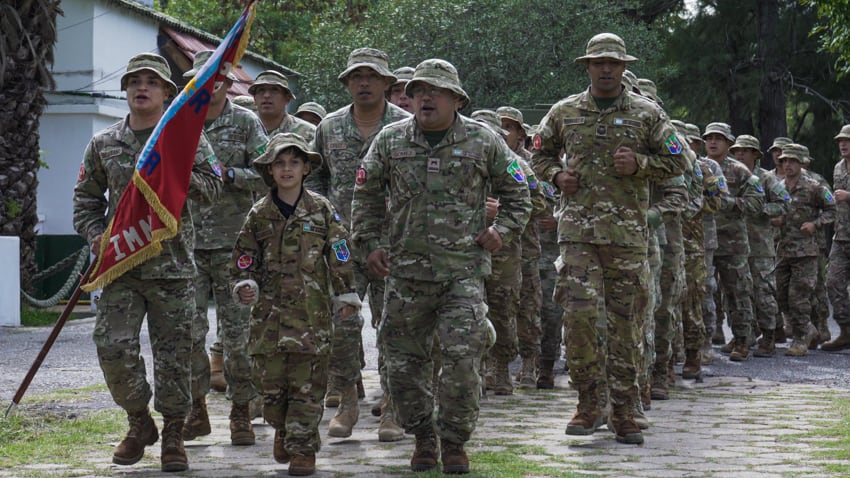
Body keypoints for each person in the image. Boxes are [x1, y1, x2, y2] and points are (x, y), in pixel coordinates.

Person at [351, 58, 531, 473]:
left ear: (456, 98)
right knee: (401, 364)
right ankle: (423, 437)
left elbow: (519, 193)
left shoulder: (483, 141)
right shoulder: (389, 141)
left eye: (435, 91)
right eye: (418, 91)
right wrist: (372, 243)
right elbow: (366, 197)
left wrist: (501, 229)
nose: (425, 97)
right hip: (405, 275)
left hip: (462, 274)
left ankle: (454, 440)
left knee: (464, 359)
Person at [531, 33, 689, 446]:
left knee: (626, 326)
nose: (605, 69)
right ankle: (588, 403)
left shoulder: (646, 112)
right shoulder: (565, 111)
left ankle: (623, 409)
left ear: (623, 68)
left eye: (613, 63)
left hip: (627, 238)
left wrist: (639, 164)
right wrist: (556, 176)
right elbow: (537, 154)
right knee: (580, 320)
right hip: (578, 235)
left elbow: (681, 160)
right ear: (587, 66)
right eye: (598, 62)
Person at [73, 52, 222, 472]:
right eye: (134, 81)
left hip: (172, 268)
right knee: (112, 347)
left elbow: (213, 186)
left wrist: (171, 174)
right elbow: (85, 201)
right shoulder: (103, 143)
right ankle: (139, 422)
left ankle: (174, 433)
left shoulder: (185, 138)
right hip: (121, 266)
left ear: (167, 93)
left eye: (151, 82)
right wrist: (94, 236)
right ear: (125, 91)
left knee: (175, 356)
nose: (142, 88)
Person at [230, 133, 360, 476]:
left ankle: (303, 448)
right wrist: (245, 285)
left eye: (294, 162)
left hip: (310, 318)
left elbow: (341, 254)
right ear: (270, 171)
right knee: (271, 390)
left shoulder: (322, 209)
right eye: (279, 163)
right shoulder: (258, 214)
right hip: (269, 320)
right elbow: (244, 259)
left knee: (308, 386)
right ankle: (283, 428)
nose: (287, 169)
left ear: (305, 168)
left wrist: (345, 294)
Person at [308, 47, 410, 441]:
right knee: (342, 324)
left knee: (396, 328)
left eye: (371, 76)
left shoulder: (404, 125)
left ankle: (393, 408)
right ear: (347, 83)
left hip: (393, 244)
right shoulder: (329, 128)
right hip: (342, 246)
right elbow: (315, 179)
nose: (363, 83)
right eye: (356, 76)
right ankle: (348, 401)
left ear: (387, 83)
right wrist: (321, 219)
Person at [180, 50, 269, 447]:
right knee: (188, 333)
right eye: (202, 77)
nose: (210, 84)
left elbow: (267, 172)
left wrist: (230, 174)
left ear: (228, 83)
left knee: (239, 336)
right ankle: (196, 410)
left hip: (236, 246)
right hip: (187, 245)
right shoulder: (180, 121)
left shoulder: (246, 122)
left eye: (217, 77)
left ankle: (241, 412)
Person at [702, 122, 764, 361]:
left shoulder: (740, 171)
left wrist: (727, 203)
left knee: (738, 293)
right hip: (704, 242)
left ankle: (742, 341)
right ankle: (702, 344)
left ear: (729, 143)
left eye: (719, 138)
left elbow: (757, 202)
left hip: (732, 244)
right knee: (703, 294)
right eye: (709, 138)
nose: (713, 142)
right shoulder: (698, 167)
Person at [729, 134, 790, 356]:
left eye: (745, 150)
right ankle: (742, 336)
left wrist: (762, 209)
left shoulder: (766, 178)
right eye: (736, 150)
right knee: (737, 293)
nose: (740, 154)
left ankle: (769, 336)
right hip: (733, 244)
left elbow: (784, 203)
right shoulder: (729, 175)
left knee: (764, 293)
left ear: (755, 154)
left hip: (759, 246)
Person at [772, 143, 835, 356]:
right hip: (783, 249)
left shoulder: (814, 186)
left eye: (792, 161)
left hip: (806, 251)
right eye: (784, 161)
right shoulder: (778, 186)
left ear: (801, 163)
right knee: (781, 295)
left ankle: (800, 339)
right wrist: (775, 219)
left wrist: (815, 224)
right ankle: (809, 329)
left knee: (798, 297)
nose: (787, 165)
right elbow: (774, 209)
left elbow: (832, 209)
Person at [825, 125, 850, 351]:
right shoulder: (838, 168)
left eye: (847, 141)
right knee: (833, 282)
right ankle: (845, 331)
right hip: (841, 237)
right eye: (841, 141)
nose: (843, 144)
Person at [250, 70, 316, 141]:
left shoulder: (308, 133)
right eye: (261, 90)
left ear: (287, 98)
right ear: (254, 98)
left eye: (274, 90)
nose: (266, 95)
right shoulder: (243, 127)